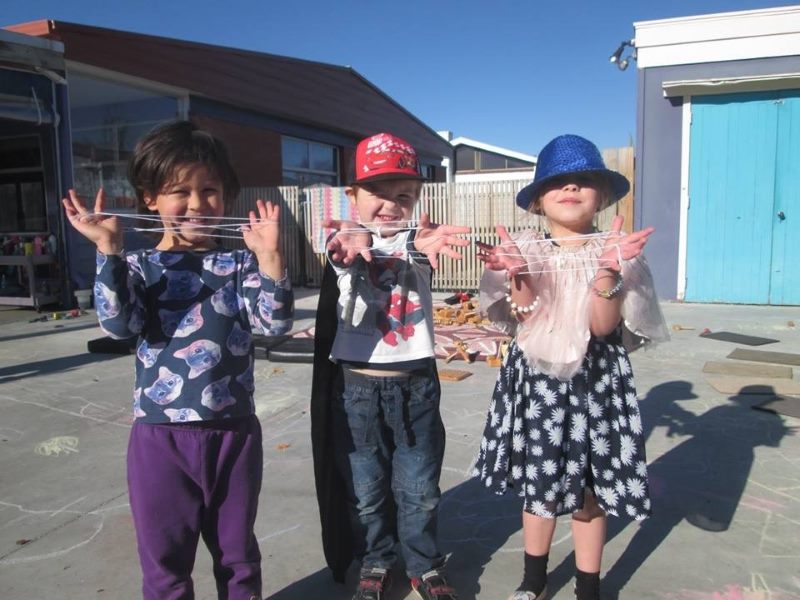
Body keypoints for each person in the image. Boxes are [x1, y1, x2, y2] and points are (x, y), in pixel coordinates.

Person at [62, 120, 294, 600]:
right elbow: (119, 326)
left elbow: (273, 327)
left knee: (238, 559)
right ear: (150, 198)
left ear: (226, 196)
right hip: (159, 438)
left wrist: (271, 260)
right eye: (179, 192)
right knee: (165, 563)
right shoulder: (140, 266)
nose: (196, 204)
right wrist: (108, 250)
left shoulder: (241, 264)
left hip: (233, 433)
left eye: (209, 190)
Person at [472, 134, 669, 600]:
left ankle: (588, 586)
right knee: (539, 488)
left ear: (602, 195)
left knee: (589, 492)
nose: (571, 188)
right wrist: (518, 274)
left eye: (584, 180)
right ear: (539, 200)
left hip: (596, 383)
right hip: (538, 381)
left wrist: (607, 271)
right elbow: (523, 316)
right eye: (558, 182)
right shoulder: (525, 246)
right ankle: (533, 581)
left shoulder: (616, 251)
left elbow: (602, 328)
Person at [310, 132, 470, 600]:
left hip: (415, 385)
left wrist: (421, 248)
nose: (390, 205)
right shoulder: (343, 243)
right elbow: (345, 261)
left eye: (403, 195)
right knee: (366, 488)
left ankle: (423, 563)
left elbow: (419, 256)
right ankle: (376, 559)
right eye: (377, 193)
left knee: (419, 485)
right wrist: (347, 251)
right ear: (353, 195)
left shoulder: (418, 242)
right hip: (355, 389)